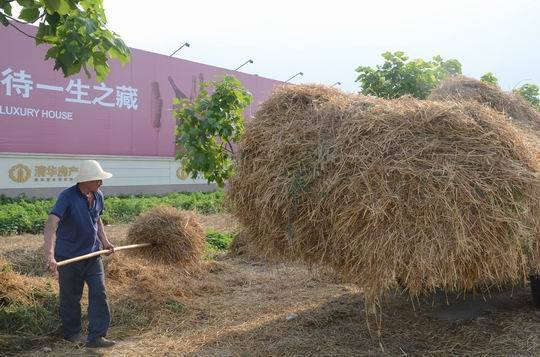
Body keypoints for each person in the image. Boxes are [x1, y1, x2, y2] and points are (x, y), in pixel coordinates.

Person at [43, 160, 116, 348]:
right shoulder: (67, 197)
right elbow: (52, 223)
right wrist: (50, 255)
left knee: (99, 292)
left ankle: (97, 336)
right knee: (71, 296)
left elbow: (97, 219)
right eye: (98, 179)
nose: (101, 182)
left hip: (92, 255)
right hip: (68, 257)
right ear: (86, 180)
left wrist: (105, 242)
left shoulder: (98, 195)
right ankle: (72, 333)